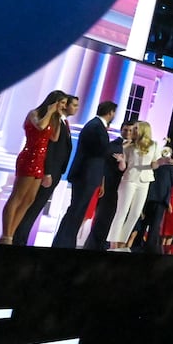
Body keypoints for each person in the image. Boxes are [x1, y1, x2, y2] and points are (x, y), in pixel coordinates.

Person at [0, 89, 69, 245]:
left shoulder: (54, 118)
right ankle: (6, 235)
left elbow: (54, 138)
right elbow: (40, 127)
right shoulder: (35, 113)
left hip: (40, 161)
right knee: (17, 197)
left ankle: (11, 234)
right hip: (29, 157)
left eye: (64, 104)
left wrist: (57, 116)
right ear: (53, 101)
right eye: (61, 103)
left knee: (29, 199)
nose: (63, 106)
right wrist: (50, 112)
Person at [12, 93, 78, 246]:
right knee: (30, 206)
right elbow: (48, 148)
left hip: (54, 172)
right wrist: (47, 171)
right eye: (71, 104)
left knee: (34, 206)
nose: (75, 108)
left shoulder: (62, 122)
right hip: (44, 169)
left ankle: (21, 238)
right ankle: (17, 239)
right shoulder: (51, 120)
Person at [53, 100, 118, 249]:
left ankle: (66, 241)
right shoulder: (96, 126)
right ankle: (64, 242)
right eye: (113, 112)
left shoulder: (96, 125)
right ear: (110, 113)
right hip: (86, 174)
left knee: (78, 210)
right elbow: (100, 149)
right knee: (76, 209)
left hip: (89, 174)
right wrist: (116, 147)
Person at [107, 120, 161, 251]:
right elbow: (123, 167)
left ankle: (122, 241)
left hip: (145, 180)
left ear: (143, 130)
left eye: (136, 129)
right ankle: (114, 243)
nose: (133, 131)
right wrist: (120, 161)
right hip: (129, 179)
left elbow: (154, 164)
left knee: (136, 213)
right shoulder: (128, 146)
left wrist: (161, 162)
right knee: (122, 211)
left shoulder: (154, 145)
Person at [85, 118, 134, 250]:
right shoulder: (113, 145)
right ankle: (94, 246)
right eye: (126, 130)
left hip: (128, 188)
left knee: (119, 218)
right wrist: (102, 184)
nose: (128, 133)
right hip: (111, 187)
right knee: (103, 217)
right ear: (121, 130)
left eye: (131, 130)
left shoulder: (137, 149)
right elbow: (104, 166)